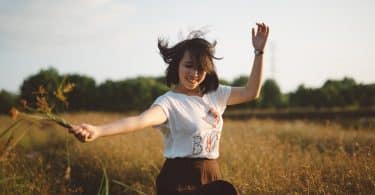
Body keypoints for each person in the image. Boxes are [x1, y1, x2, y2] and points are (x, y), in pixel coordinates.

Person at [70, 22, 269, 195]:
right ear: (177, 66)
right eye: (189, 65)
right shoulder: (169, 102)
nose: (195, 73)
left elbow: (252, 92)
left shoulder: (216, 94)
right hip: (179, 180)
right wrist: (98, 130)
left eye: (201, 68)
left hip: (211, 174)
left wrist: (259, 52)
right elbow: (139, 121)